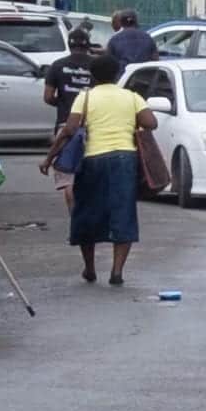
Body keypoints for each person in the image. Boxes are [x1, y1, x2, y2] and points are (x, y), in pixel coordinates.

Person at [41, 55, 156, 286]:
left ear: (92, 76)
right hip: (125, 159)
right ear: (117, 75)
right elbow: (151, 123)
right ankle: (116, 272)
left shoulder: (84, 98)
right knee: (123, 212)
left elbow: (69, 130)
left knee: (86, 212)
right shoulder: (132, 97)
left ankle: (90, 269)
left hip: (93, 159)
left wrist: (49, 157)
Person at [40, 27, 96, 210]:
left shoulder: (57, 65)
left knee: (69, 179)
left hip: (66, 124)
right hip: (93, 126)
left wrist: (63, 103)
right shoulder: (97, 65)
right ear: (88, 45)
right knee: (90, 176)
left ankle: (76, 221)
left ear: (69, 44)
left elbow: (48, 96)